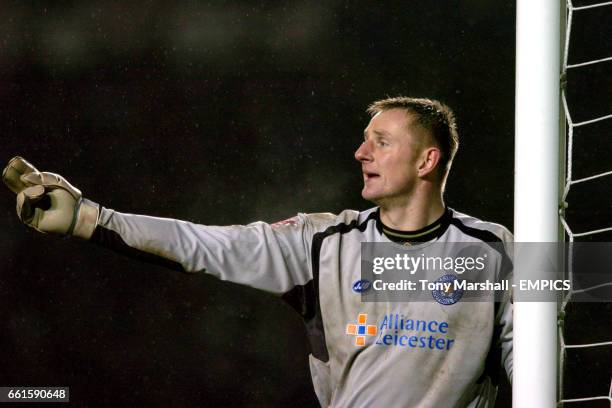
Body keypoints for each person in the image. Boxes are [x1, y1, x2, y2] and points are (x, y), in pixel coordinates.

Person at [3, 96, 513, 407]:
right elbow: (203, 244)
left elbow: (571, 315)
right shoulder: (320, 245)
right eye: (363, 140)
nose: (361, 152)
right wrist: (91, 219)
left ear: (427, 160)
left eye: (381, 141)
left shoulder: (497, 250)